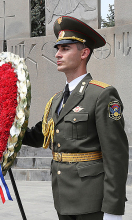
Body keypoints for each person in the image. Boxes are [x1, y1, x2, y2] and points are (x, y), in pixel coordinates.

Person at [23, 16, 129, 220]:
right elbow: (39, 136)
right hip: (63, 198)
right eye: (57, 49)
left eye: (65, 48)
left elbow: (116, 155)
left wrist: (113, 210)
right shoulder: (56, 100)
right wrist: (4, 128)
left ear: (84, 53)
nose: (58, 54)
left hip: (92, 201)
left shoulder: (102, 94)